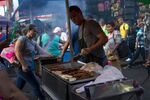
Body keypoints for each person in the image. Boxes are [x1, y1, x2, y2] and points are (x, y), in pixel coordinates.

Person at [15, 24, 51, 100]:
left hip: (27, 67)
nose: (35, 33)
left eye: (36, 32)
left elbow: (42, 51)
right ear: (28, 30)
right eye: (34, 31)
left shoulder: (33, 42)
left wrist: (52, 56)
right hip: (23, 67)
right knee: (36, 86)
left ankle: (11, 97)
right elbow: (17, 51)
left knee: (18, 88)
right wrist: (24, 65)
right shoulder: (22, 38)